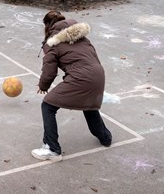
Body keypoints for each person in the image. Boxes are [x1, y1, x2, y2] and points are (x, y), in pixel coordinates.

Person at [32, 11, 112, 161]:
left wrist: (43, 86)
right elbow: (92, 55)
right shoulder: (81, 36)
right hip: (98, 74)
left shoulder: (52, 43)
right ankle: (105, 137)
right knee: (89, 104)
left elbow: (50, 70)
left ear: (47, 26)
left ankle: (52, 148)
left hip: (81, 77)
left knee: (48, 105)